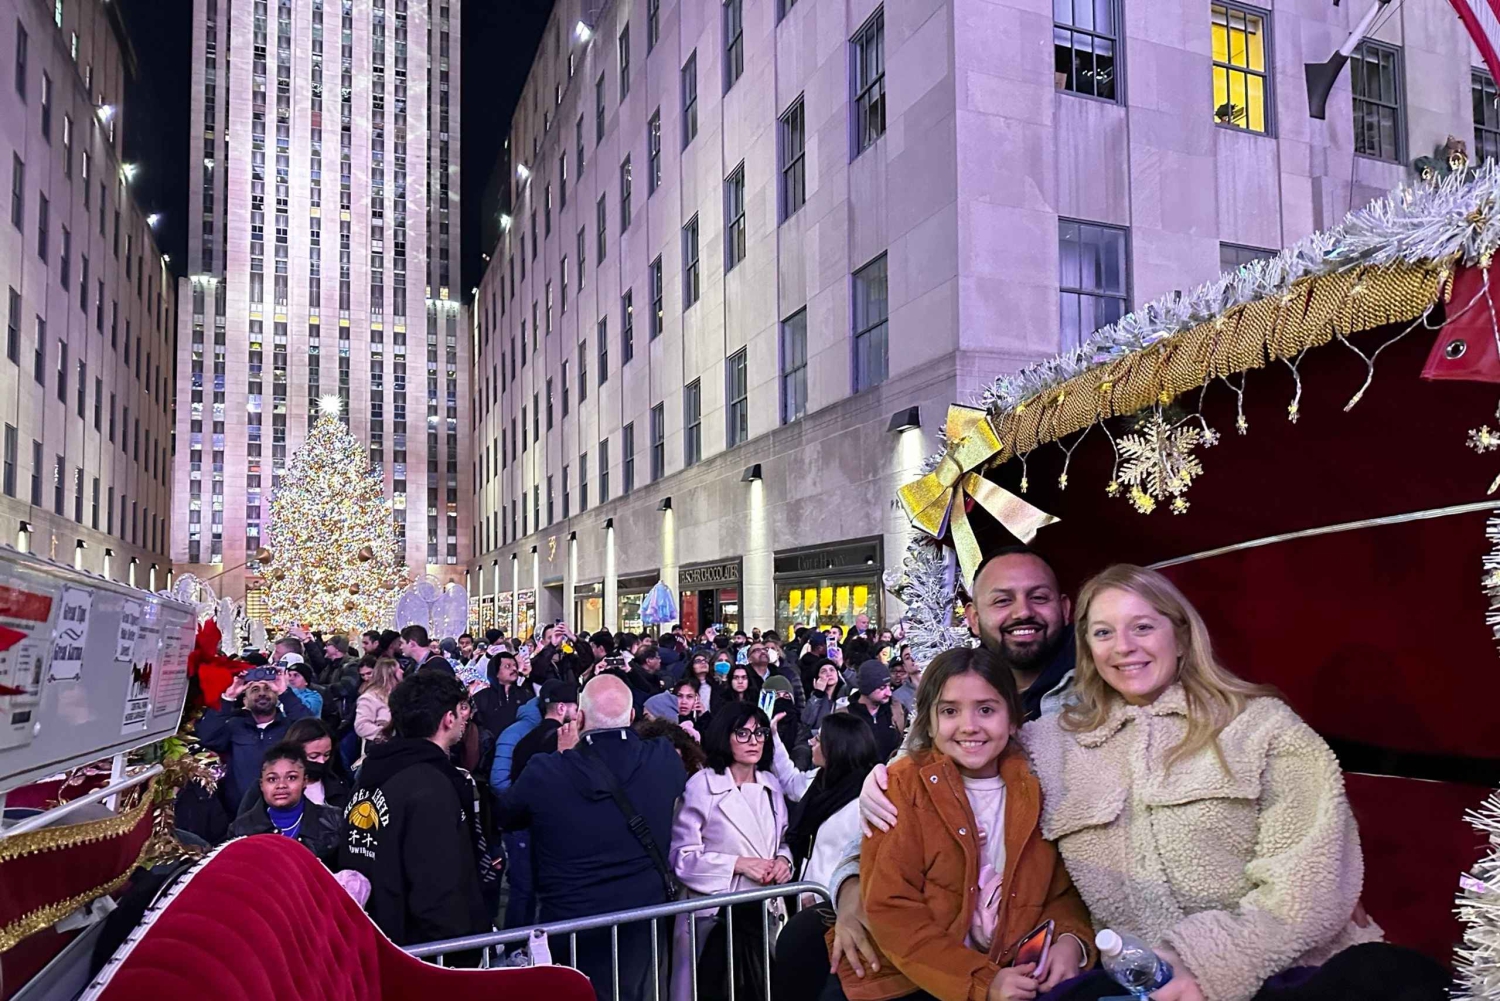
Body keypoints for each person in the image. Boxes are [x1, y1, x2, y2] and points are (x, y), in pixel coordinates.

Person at [864, 566, 1451, 1001]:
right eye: (1103, 633)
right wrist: (854, 846)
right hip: (1135, 983)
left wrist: (1206, 967)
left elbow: (1310, 890)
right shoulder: (1049, 743)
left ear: (1179, 632)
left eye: (1142, 626)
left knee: (1396, 982)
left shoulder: (1264, 730)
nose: (1125, 648)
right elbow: (944, 773)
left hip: (1283, 973)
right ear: (1087, 648)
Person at [831, 644, 1092, 1001]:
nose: (969, 727)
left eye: (986, 709)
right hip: (913, 980)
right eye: (950, 711)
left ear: (1013, 718)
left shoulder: (1039, 784)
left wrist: (1070, 940)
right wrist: (981, 981)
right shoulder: (902, 786)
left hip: (1014, 972)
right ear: (930, 719)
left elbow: (1063, 892)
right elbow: (892, 908)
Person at [494, 675, 688, 1001]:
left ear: (579, 718)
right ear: (631, 716)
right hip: (640, 920)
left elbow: (509, 815)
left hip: (571, 922)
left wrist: (565, 756)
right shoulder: (663, 758)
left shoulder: (547, 770)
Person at [338, 670, 490, 951]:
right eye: (462, 709)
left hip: (376, 939)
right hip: (423, 956)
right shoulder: (430, 786)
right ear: (448, 718)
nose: (465, 718)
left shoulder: (369, 775)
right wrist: (460, 956)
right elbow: (437, 884)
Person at [669, 702, 794, 1001]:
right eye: (743, 733)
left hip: (765, 912)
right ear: (725, 736)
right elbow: (682, 857)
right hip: (715, 918)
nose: (754, 741)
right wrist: (738, 864)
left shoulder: (772, 785)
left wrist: (783, 861)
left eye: (760, 732)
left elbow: (783, 840)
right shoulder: (701, 785)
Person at [784, 713, 879, 906]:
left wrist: (821, 896)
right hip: (809, 896)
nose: (811, 743)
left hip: (834, 905)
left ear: (836, 748)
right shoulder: (821, 782)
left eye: (818, 739)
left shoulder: (866, 800)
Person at [197, 666, 314, 811]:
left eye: (268, 689)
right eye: (255, 690)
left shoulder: (289, 727)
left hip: (283, 808)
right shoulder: (234, 726)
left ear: (277, 696)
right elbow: (206, 737)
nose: (262, 694)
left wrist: (285, 693)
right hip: (239, 811)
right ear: (245, 700)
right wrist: (228, 697)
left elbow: (312, 731)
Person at [229, 742, 341, 864]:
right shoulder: (241, 829)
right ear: (261, 785)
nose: (281, 785)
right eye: (272, 779)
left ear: (304, 781)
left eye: (291, 778)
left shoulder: (334, 821)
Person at [848, 660, 906, 762]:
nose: (889, 693)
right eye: (882, 688)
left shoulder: (897, 710)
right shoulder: (846, 716)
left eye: (889, 686)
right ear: (867, 688)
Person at [471, 648, 532, 738]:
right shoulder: (481, 697)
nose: (514, 669)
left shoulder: (525, 694)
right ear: (496, 672)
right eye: (508, 666)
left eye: (515, 665)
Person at [355, 656, 403, 753]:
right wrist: (386, 735)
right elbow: (361, 725)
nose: (402, 671)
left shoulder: (401, 694)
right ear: (390, 673)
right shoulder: (370, 697)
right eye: (398, 669)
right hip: (383, 750)